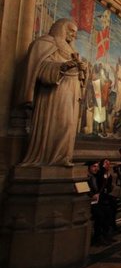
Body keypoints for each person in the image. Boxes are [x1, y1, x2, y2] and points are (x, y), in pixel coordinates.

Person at [19, 18, 87, 167]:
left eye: (75, 33)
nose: (73, 36)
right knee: (58, 122)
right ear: (61, 28)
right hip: (54, 93)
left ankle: (63, 157)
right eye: (71, 31)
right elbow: (40, 68)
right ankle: (48, 157)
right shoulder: (45, 43)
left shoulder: (71, 50)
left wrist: (82, 69)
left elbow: (81, 77)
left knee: (68, 125)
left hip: (71, 91)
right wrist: (63, 67)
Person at [87, 160, 112, 246]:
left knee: (107, 211)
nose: (96, 168)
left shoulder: (95, 176)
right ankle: (98, 237)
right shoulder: (86, 177)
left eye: (97, 166)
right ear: (88, 167)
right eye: (94, 166)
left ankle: (104, 235)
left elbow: (104, 186)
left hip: (96, 201)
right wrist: (92, 195)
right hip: (88, 202)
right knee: (99, 215)